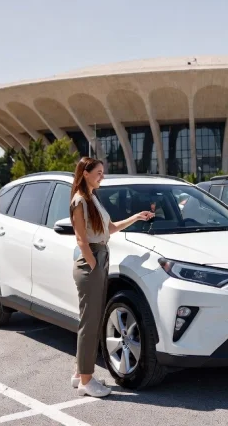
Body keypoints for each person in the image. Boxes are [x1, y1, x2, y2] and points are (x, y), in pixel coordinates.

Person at [69, 157, 154, 397]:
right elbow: (81, 239)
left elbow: (111, 228)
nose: (102, 176)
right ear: (85, 173)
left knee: (91, 320)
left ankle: (79, 374)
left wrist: (136, 217)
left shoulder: (93, 198)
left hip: (99, 258)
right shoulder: (80, 201)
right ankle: (86, 380)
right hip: (91, 262)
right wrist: (95, 264)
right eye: (98, 172)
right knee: (90, 322)